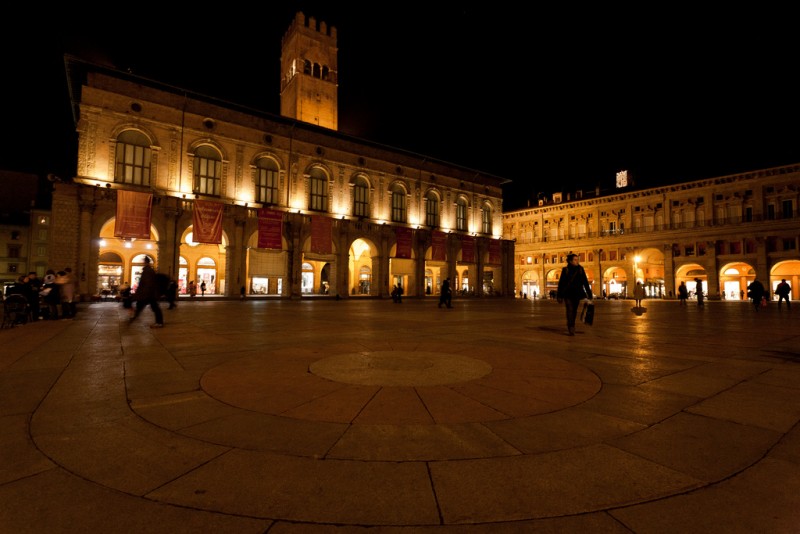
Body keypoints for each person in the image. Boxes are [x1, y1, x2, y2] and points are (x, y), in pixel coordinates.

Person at [556, 253, 593, 336]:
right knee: (569, 310)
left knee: (574, 311)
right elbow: (561, 283)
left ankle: (572, 324)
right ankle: (571, 326)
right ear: (570, 261)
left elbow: (585, 282)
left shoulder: (580, 269)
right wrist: (559, 295)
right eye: (575, 260)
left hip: (577, 294)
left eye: (577, 259)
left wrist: (589, 294)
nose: (577, 261)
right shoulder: (565, 270)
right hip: (567, 294)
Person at [129, 257, 164, 328]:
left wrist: (142, 294)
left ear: (146, 262)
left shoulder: (148, 271)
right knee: (143, 306)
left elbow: (147, 283)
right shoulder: (148, 270)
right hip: (149, 293)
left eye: (143, 261)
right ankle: (134, 317)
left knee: (154, 307)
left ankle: (159, 323)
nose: (142, 263)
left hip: (149, 294)